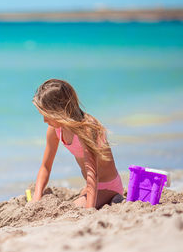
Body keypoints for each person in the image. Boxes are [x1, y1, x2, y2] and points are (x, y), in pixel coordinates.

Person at [32, 79, 123, 209]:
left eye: (46, 114)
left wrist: (88, 211)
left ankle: (107, 198)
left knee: (71, 209)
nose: (44, 120)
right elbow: (46, 166)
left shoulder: (86, 129)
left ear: (59, 111)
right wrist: (36, 198)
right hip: (90, 186)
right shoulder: (55, 129)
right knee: (74, 203)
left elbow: (93, 174)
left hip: (108, 186)